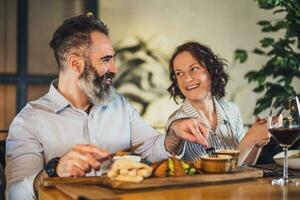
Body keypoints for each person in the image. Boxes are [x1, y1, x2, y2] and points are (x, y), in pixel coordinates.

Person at [5, 15, 209, 200]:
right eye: (106, 60)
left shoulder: (119, 103)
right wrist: (54, 170)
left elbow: (150, 149)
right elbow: (15, 193)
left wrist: (173, 133)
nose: (115, 68)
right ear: (75, 64)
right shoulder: (29, 120)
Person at [166, 41, 271, 166]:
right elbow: (216, 171)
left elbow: (244, 164)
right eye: (179, 73)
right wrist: (250, 139)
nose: (187, 79)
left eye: (194, 69)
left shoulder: (232, 110)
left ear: (211, 71)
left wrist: (256, 144)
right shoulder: (177, 124)